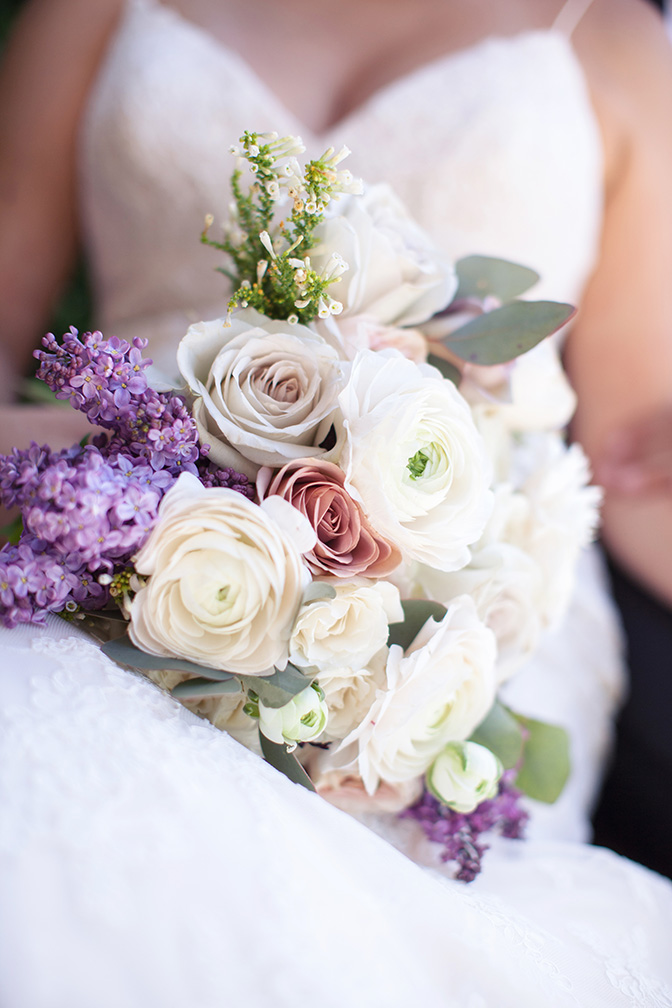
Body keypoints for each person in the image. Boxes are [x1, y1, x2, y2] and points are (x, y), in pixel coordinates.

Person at [0, 1, 672, 1005]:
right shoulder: (90, 11)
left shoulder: (610, 36)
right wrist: (123, 448)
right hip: (106, 543)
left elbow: (641, 474)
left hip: (461, 619)